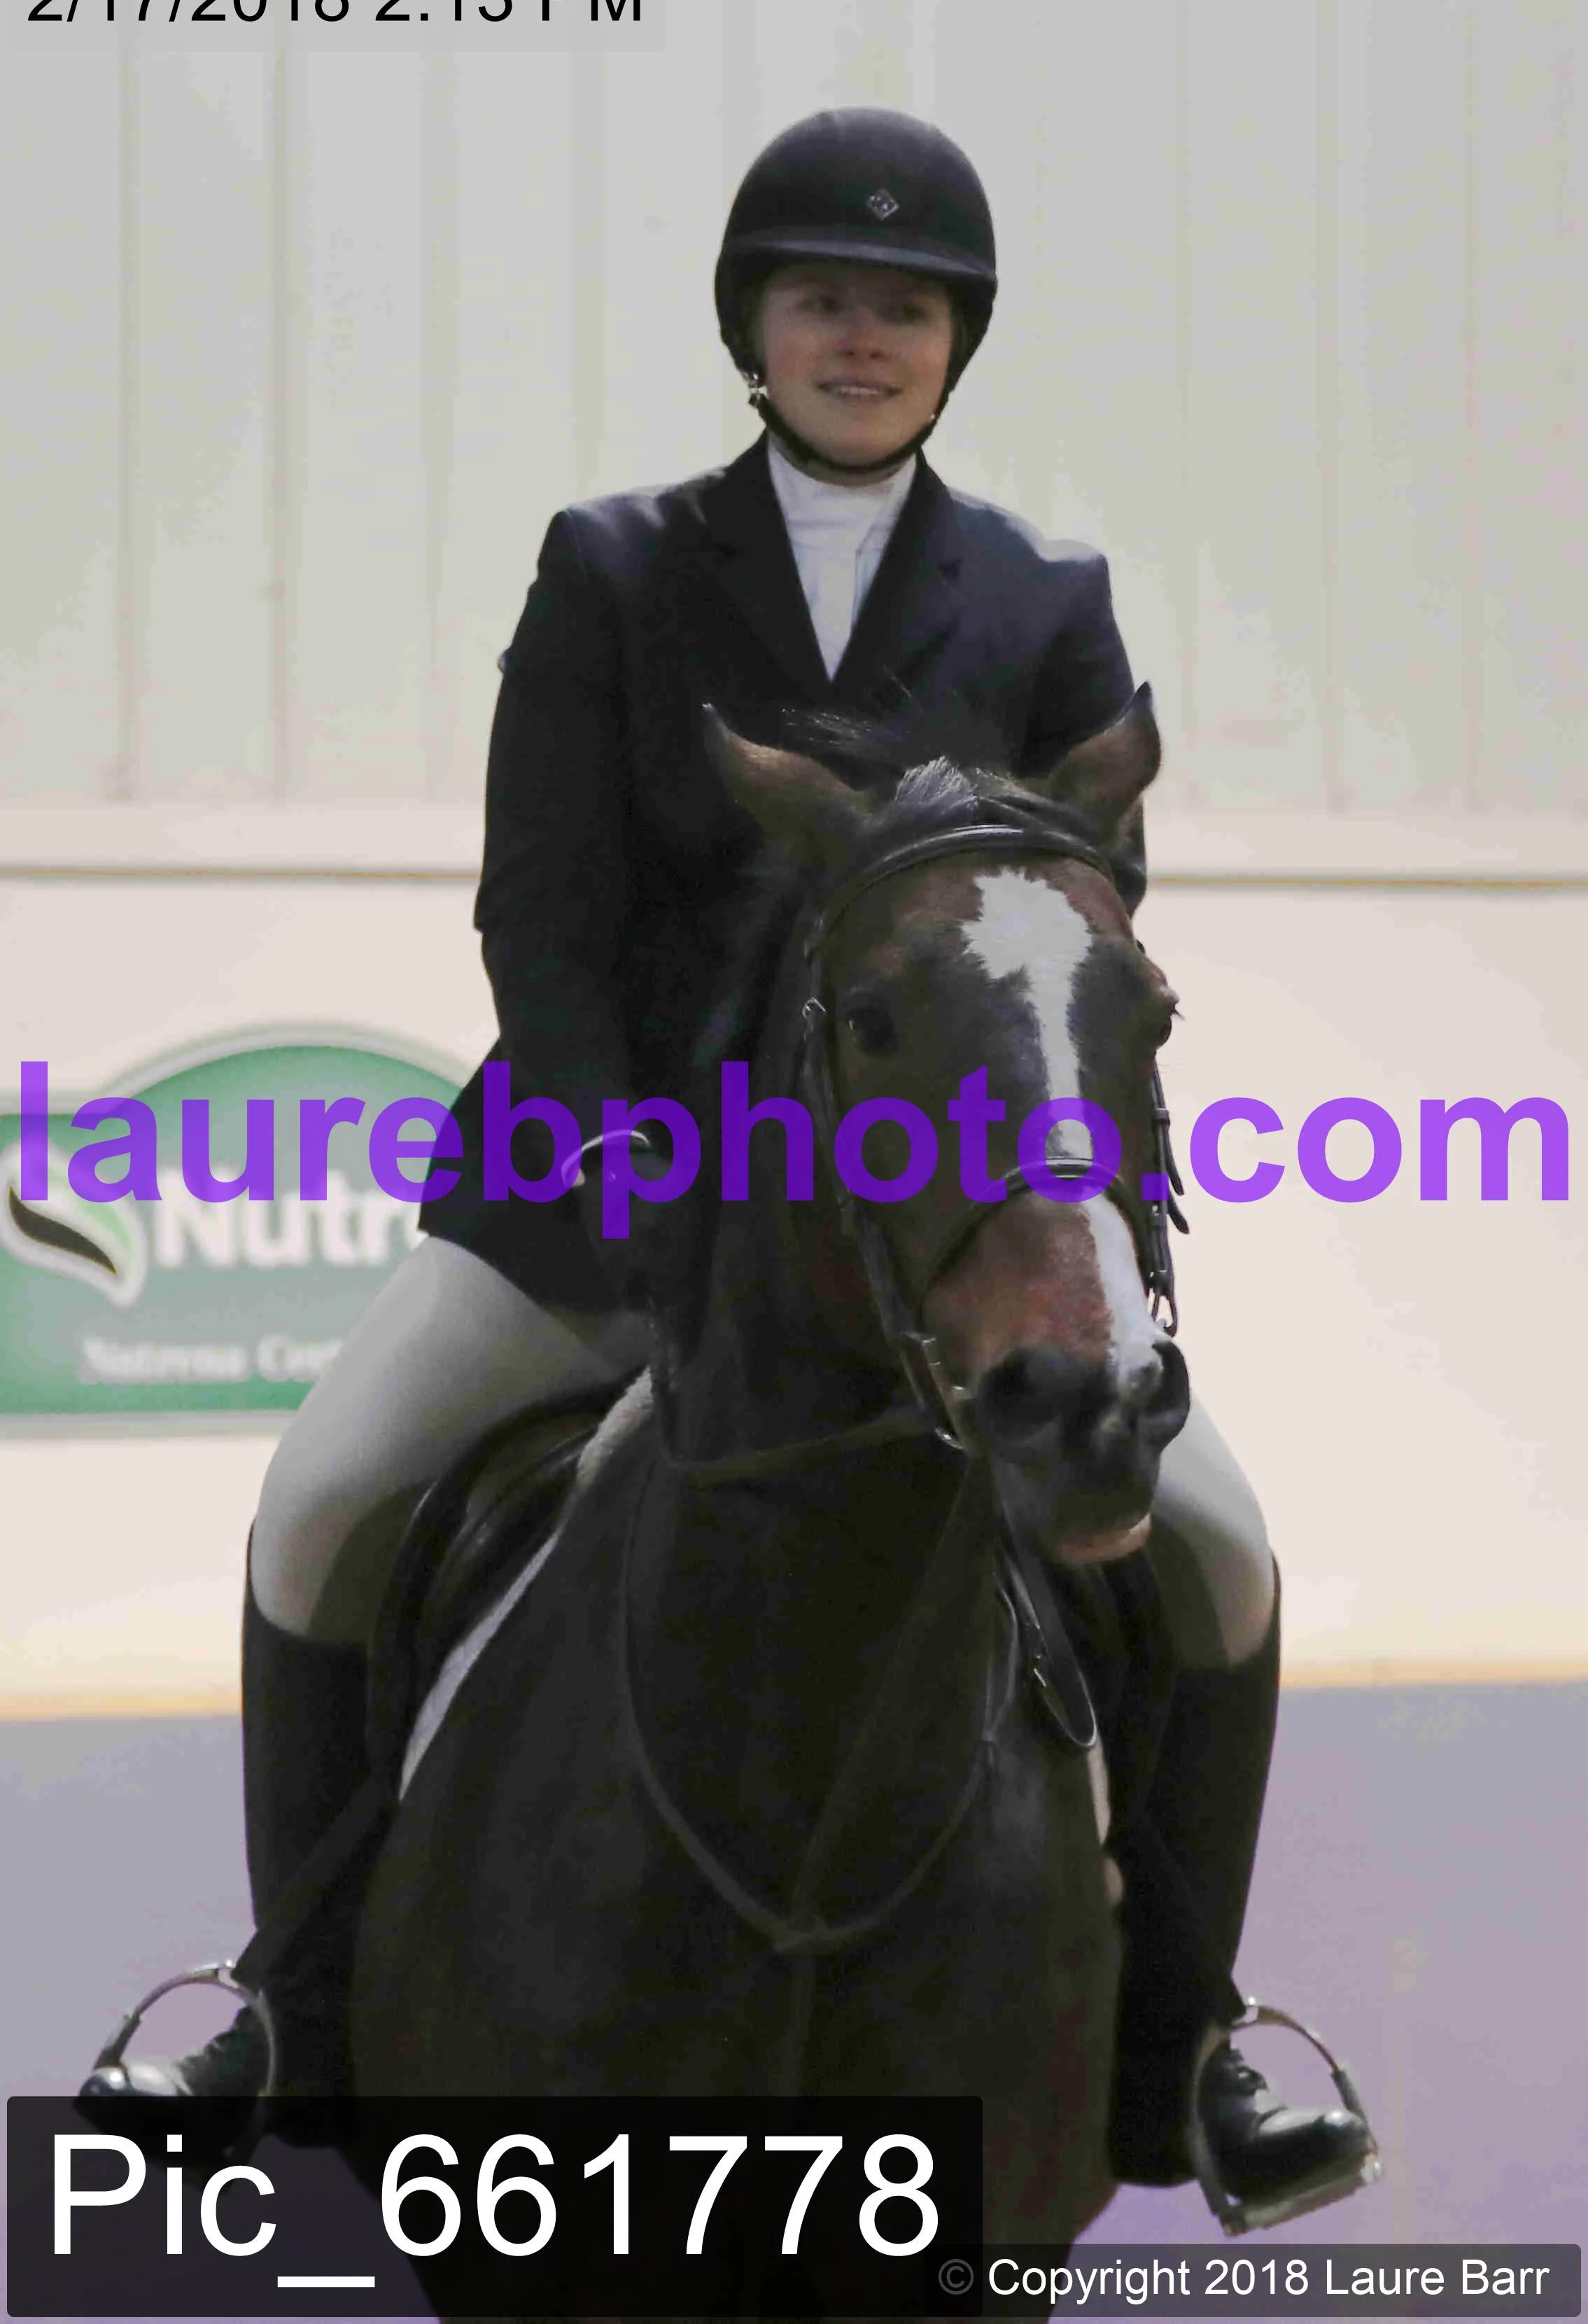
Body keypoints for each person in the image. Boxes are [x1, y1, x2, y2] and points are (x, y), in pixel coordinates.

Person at [85, 106, 1372, 2206]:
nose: (862, 337)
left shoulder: (1043, 599)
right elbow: (543, 909)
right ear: (751, 331)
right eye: (821, 300)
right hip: (600, 1202)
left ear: (955, 344)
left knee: (1215, 1552)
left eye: (904, 309)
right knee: (322, 1502)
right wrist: (638, 1172)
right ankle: (289, 2011)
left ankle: (1186, 2047)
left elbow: (1077, 929)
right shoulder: (616, 567)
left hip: (932, 1230)